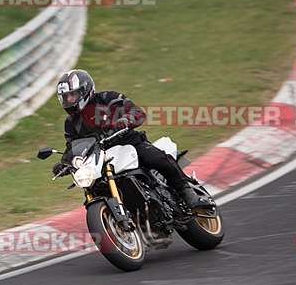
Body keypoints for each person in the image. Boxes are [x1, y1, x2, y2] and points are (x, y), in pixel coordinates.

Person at [51, 69, 202, 208]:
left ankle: (184, 189)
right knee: (94, 187)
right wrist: (66, 161)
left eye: (73, 95)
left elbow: (136, 112)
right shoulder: (71, 124)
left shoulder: (108, 99)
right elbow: (73, 146)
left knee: (155, 158)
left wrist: (126, 120)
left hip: (130, 144)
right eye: (66, 97)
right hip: (102, 161)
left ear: (85, 91)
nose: (70, 100)